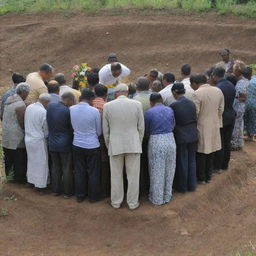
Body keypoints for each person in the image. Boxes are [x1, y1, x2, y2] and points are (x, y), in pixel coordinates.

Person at [103, 84, 144, 210]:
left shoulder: (107, 106)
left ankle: (116, 202)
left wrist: (109, 145)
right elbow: (141, 128)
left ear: (116, 93)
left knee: (115, 175)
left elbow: (106, 130)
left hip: (115, 144)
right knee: (133, 176)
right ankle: (132, 203)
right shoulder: (137, 104)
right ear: (127, 92)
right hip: (133, 143)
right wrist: (138, 142)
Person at [190, 74, 224, 183]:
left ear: (195, 83)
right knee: (211, 151)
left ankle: (202, 178)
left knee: (201, 153)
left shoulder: (196, 93)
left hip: (202, 126)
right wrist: (216, 121)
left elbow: (195, 113)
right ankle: (209, 176)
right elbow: (221, 109)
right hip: (214, 125)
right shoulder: (218, 91)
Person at [70, 89, 102, 203]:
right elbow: (99, 131)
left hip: (77, 143)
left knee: (79, 170)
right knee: (93, 171)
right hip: (92, 145)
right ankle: (93, 197)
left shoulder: (72, 109)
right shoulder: (94, 111)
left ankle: (80, 195)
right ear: (91, 99)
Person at [144, 93, 176, 205]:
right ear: (162, 100)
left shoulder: (148, 112)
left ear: (151, 102)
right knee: (170, 169)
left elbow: (146, 129)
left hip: (156, 140)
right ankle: (167, 195)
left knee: (156, 170)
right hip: (170, 139)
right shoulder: (170, 110)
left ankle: (157, 199)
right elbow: (173, 125)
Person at [170, 83, 198, 193]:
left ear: (174, 92)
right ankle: (192, 185)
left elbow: (172, 122)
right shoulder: (191, 103)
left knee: (182, 161)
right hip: (193, 134)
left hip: (181, 135)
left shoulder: (174, 105)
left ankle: (183, 187)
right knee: (192, 160)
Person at [47, 92, 75, 198]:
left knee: (55, 166)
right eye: (72, 101)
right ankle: (67, 192)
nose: (72, 104)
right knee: (66, 168)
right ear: (68, 100)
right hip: (64, 143)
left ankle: (56, 190)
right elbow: (70, 128)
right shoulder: (66, 111)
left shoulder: (50, 106)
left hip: (52, 142)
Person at [2, 83, 30, 183]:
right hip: (16, 137)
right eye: (27, 93)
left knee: (8, 157)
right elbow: (22, 123)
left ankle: (9, 177)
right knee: (19, 159)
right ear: (24, 92)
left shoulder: (9, 100)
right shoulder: (20, 105)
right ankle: (19, 179)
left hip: (6, 135)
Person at [211, 67, 236, 172]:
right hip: (231, 116)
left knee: (219, 142)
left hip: (222, 117)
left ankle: (218, 166)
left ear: (215, 76)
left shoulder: (218, 88)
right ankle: (225, 165)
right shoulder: (231, 85)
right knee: (227, 141)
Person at [25, 93, 51, 190]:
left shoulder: (29, 107)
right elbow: (45, 129)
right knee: (41, 163)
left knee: (31, 161)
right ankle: (40, 185)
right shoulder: (43, 111)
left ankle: (31, 181)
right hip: (38, 140)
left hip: (28, 138)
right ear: (45, 102)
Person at [92, 84, 110, 197]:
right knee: (104, 164)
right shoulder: (107, 106)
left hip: (90, 138)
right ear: (105, 94)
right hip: (103, 138)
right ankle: (104, 190)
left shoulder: (90, 104)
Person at [231, 60, 250, 150]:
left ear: (238, 71)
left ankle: (235, 144)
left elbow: (243, 97)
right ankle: (239, 143)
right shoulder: (244, 81)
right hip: (240, 106)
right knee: (239, 124)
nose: (233, 72)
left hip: (238, 107)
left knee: (236, 125)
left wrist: (236, 99)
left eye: (234, 70)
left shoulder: (241, 82)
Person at [245, 75, 256, 141]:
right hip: (254, 102)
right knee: (254, 119)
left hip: (247, 102)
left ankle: (249, 134)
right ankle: (253, 135)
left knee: (248, 118)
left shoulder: (251, 80)